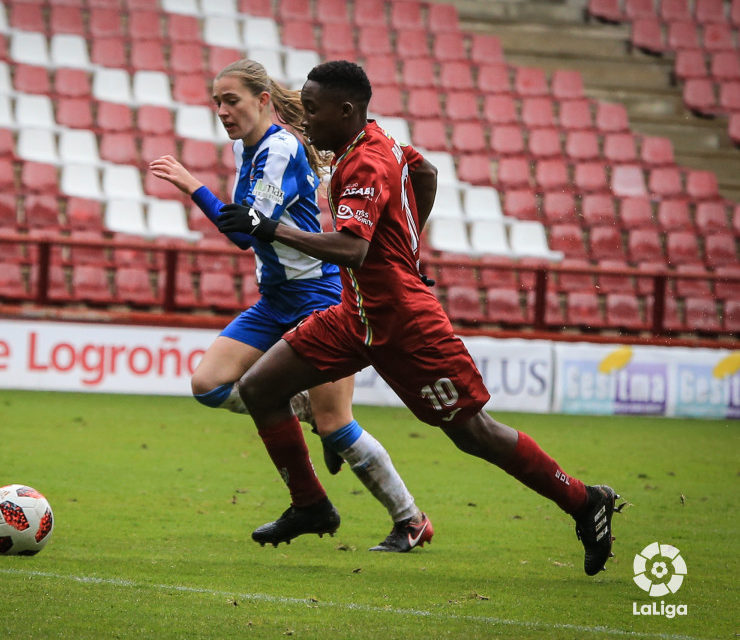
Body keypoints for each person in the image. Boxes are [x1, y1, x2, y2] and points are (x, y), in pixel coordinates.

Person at [215, 60, 620, 575]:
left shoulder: (363, 162)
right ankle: (311, 505)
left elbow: (351, 250)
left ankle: (586, 502)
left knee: (476, 435)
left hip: (406, 325)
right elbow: (425, 172)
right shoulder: (378, 140)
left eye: (313, 111)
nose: (306, 121)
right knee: (259, 388)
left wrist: (268, 227)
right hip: (355, 315)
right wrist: (409, 248)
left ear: (346, 111)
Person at [149, 59, 432, 552]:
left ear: (262, 100)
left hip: (318, 299)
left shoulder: (278, 148)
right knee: (208, 384)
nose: (222, 111)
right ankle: (308, 464)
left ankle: (410, 519)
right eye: (216, 102)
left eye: (231, 100)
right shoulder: (250, 148)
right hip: (275, 300)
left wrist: (191, 185)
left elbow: (246, 229)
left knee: (337, 424)